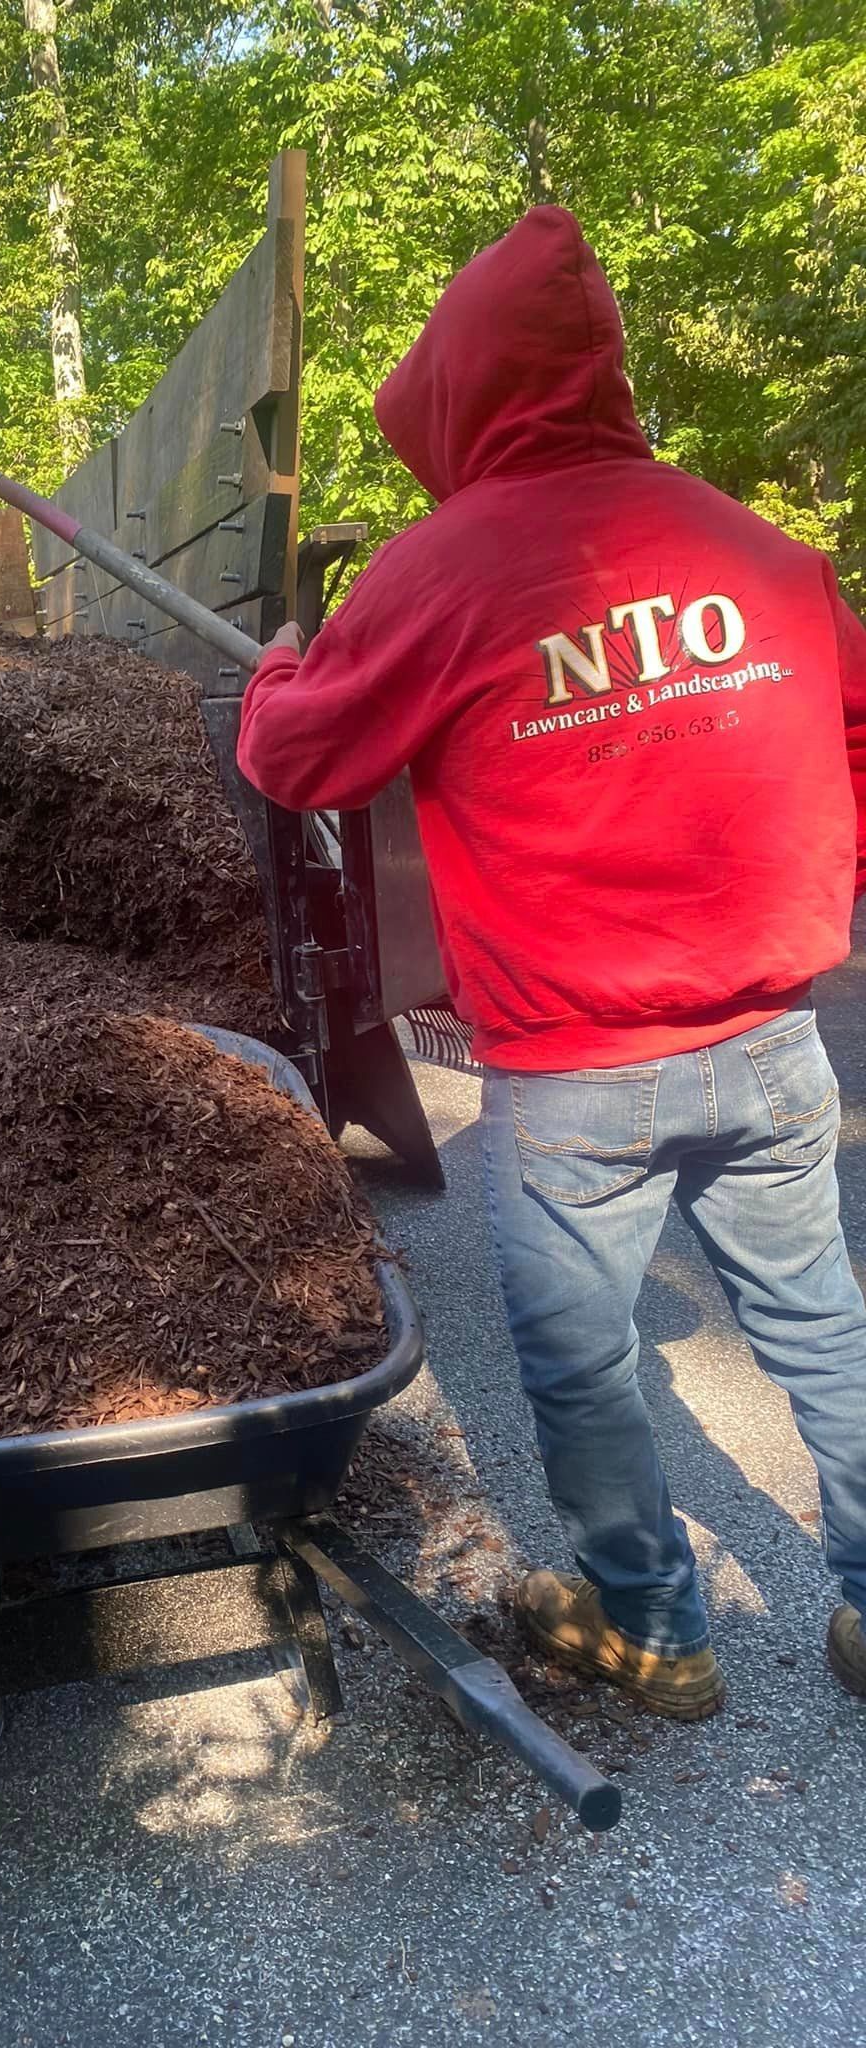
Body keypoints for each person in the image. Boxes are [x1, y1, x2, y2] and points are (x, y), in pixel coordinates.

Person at [236, 205, 866, 1719]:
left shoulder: (440, 573)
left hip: (583, 1083)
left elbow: (297, 759)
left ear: (459, 399)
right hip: (779, 1041)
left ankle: (652, 1628)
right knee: (825, 1331)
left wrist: (275, 662)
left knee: (584, 1366)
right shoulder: (758, 550)